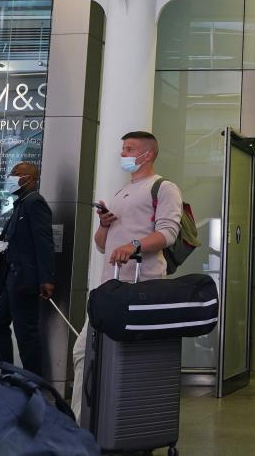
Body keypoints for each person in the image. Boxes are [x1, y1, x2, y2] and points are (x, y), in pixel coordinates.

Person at [71, 131, 183, 421]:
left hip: (141, 285)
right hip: (108, 287)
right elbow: (100, 245)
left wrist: (133, 246)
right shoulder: (121, 193)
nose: (124, 154)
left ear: (148, 154)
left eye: (130, 149)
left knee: (135, 360)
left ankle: (130, 424)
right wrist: (105, 226)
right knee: (84, 352)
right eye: (123, 149)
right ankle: (82, 423)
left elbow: (168, 234)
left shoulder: (163, 188)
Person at [0, 162, 55, 376]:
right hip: (12, 278)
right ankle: (7, 373)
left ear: (30, 178)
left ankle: (34, 381)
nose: (11, 177)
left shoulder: (34, 202)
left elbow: (43, 241)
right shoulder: (21, 203)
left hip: (25, 279)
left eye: (16, 174)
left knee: (26, 334)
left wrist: (46, 278)